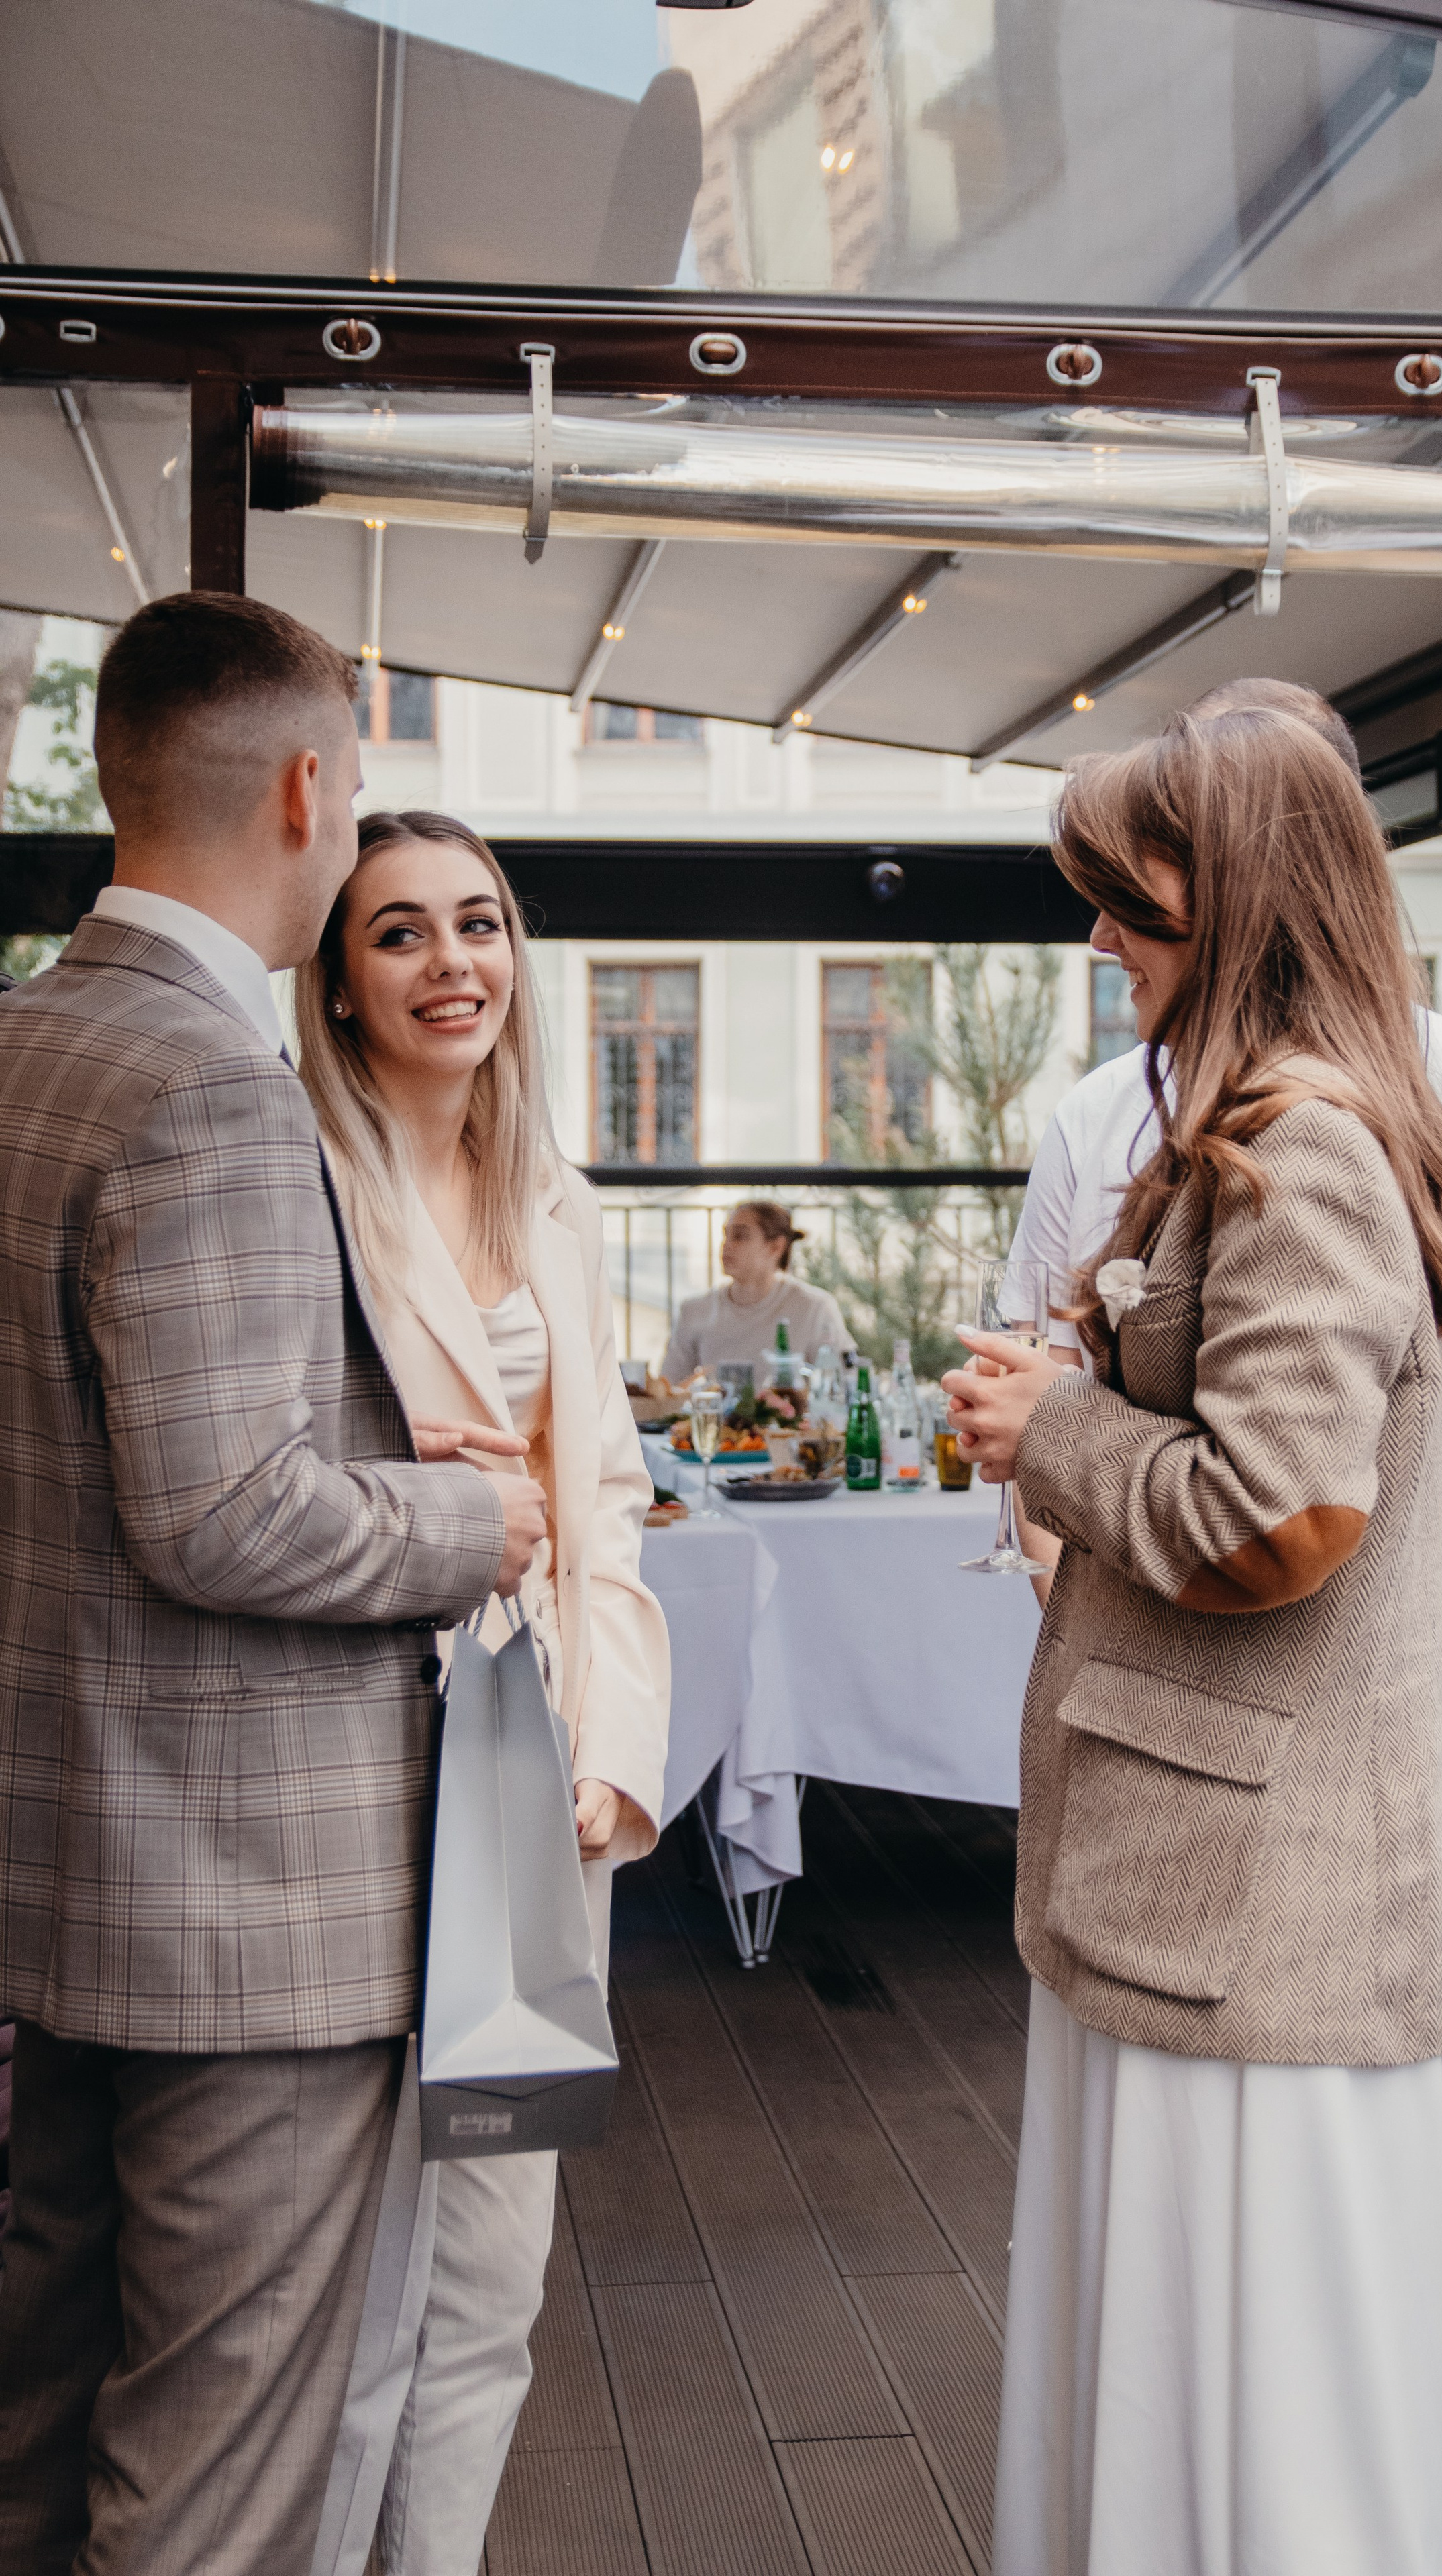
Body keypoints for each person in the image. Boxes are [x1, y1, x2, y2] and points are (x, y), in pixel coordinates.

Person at [948, 705, 1442, 2575]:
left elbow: (1275, 1519)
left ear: (1229, 897)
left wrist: (1042, 1431)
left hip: (1242, 1903)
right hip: (1231, 1891)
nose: (1099, 940)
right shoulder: (1298, 1121)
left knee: (1262, 2389)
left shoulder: (1294, 1148)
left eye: (1121, 900)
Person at [0, 594, 548, 2575]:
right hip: (245, 1911)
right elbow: (224, 1507)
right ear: (314, 787)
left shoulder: (29, 1044)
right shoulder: (209, 1080)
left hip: (63, 1881)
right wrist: (468, 1522)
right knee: (216, 2479)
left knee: (44, 2430)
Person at [1011, 674, 1442, 2151]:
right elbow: (1044, 1407)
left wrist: (1333, 1704)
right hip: (1139, 1765)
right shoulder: (1104, 1113)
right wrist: (1132, 1658)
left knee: (1337, 2201)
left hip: (1378, 1762)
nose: (1100, 937)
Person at [297, 810, 672, 2576]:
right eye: (399, 934)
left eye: (480, 924)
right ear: (340, 982)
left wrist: (611, 1754)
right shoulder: (305, 1180)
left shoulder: (555, 1200)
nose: (452, 961)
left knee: (497, 2262)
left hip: (529, 1776)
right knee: (364, 2275)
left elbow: (602, 1505)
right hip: (359, 1778)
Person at [662, 1198, 851, 1381]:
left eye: (740, 1236)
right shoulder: (695, 1310)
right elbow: (667, 1388)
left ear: (776, 1247)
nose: (726, 1245)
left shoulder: (814, 1308)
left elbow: (845, 1384)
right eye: (726, 1235)